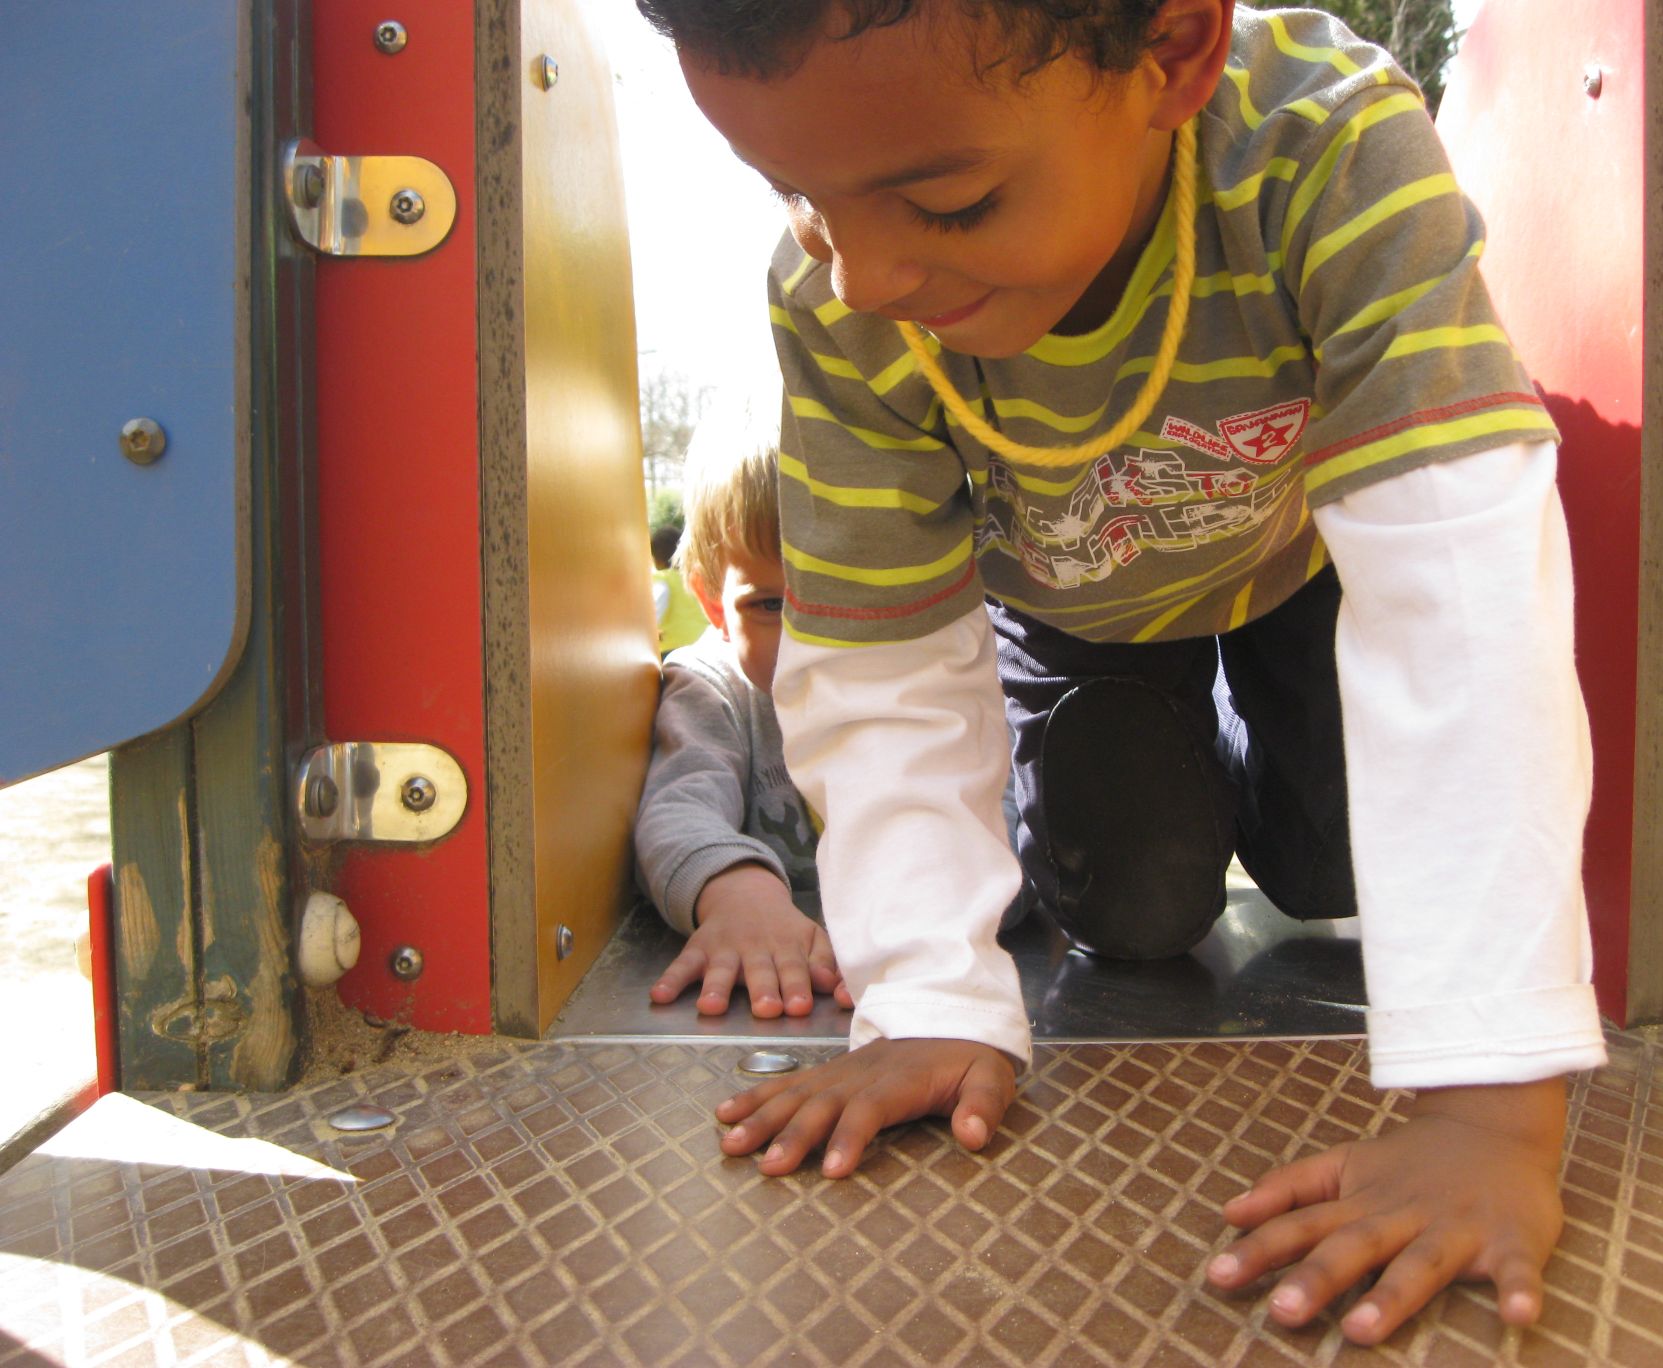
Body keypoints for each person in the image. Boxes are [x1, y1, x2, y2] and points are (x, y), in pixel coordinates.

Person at [634, 0, 1606, 1346]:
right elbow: (882, 654)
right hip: (1075, 607)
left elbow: (1459, 595)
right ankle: (1176, 746)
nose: (863, 276)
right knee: (1138, 906)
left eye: (951, 203)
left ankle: (1257, 740)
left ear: (1171, 52)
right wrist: (927, 995)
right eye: (796, 197)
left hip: (1297, 569)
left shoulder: (1324, 149)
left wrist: (1491, 1111)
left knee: (1337, 862)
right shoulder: (840, 304)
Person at [633, 400, 851, 1019]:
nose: (811, 640)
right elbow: (679, 806)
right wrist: (739, 896)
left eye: (842, 597)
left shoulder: (919, 679)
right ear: (711, 604)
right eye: (771, 606)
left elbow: (992, 814)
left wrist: (934, 906)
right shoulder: (714, 689)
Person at [650, 523, 711, 657]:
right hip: (703, 644)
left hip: (675, 650)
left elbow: (655, 610)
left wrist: (650, 631)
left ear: (657, 559)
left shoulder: (664, 580)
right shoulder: (695, 577)